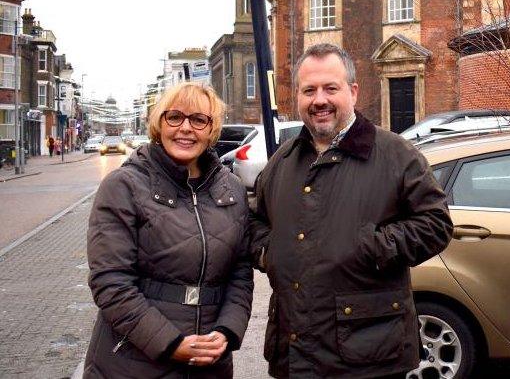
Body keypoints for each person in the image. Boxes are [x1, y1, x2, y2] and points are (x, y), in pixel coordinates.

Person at [249, 43, 453, 378]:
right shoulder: (283, 161)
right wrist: (269, 253)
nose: (320, 100)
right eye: (309, 90)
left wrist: (368, 246)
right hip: (295, 351)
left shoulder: (395, 155)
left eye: (331, 88)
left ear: (353, 92)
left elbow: (435, 224)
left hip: (368, 356)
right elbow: (255, 221)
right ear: (297, 96)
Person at [84, 82, 253, 378]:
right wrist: (171, 343)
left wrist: (227, 331)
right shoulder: (123, 186)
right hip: (134, 362)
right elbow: (111, 282)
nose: (186, 128)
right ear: (159, 123)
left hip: (211, 364)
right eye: (174, 117)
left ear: (212, 130)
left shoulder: (232, 190)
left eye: (199, 120)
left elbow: (240, 273)